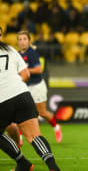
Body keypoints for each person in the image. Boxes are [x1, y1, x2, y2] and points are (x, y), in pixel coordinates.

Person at [0, 26, 60, 171]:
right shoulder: (10, 49)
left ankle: (23, 163)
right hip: (22, 94)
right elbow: (26, 74)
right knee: (34, 136)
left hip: (2, 100)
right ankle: (53, 167)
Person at [17, 31, 62, 143]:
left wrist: (25, 71)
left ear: (29, 41)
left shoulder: (32, 53)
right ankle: (19, 138)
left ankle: (56, 127)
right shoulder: (17, 54)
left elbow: (39, 69)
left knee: (42, 112)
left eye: (24, 39)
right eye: (20, 39)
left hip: (36, 86)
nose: (22, 42)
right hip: (24, 87)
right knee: (20, 111)